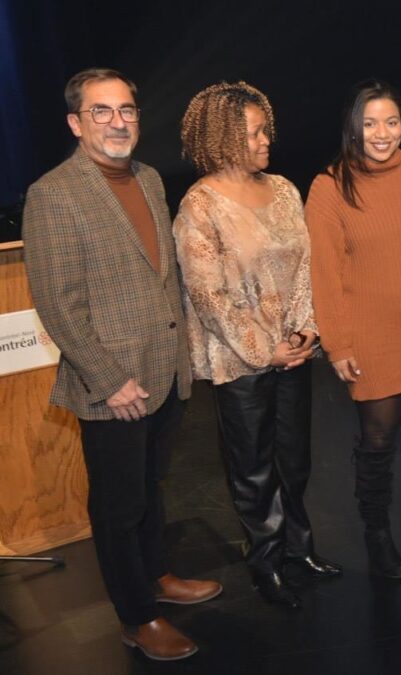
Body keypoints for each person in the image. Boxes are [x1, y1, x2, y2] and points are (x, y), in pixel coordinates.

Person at [24, 68, 221, 662]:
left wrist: (183, 355)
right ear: (75, 123)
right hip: (113, 383)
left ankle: (155, 575)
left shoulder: (150, 178)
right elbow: (57, 304)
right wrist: (110, 381)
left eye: (126, 110)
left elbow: (162, 277)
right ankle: (137, 618)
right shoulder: (54, 194)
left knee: (150, 489)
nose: (117, 122)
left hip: (163, 370)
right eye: (102, 111)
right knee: (118, 505)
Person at [175, 81, 339, 610]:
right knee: (254, 468)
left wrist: (305, 330)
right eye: (254, 133)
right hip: (241, 358)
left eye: (265, 129)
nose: (267, 139)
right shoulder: (200, 205)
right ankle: (266, 562)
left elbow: (306, 267)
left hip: (293, 351)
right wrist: (264, 348)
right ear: (222, 138)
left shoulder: (285, 190)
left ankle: (300, 550)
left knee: (295, 458)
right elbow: (207, 294)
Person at [306, 80, 401, 578]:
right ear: (354, 127)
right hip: (369, 330)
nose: (382, 133)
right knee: (377, 439)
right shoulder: (329, 186)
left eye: (391, 122)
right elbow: (325, 273)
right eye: (370, 123)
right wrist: (337, 344)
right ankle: (377, 532)